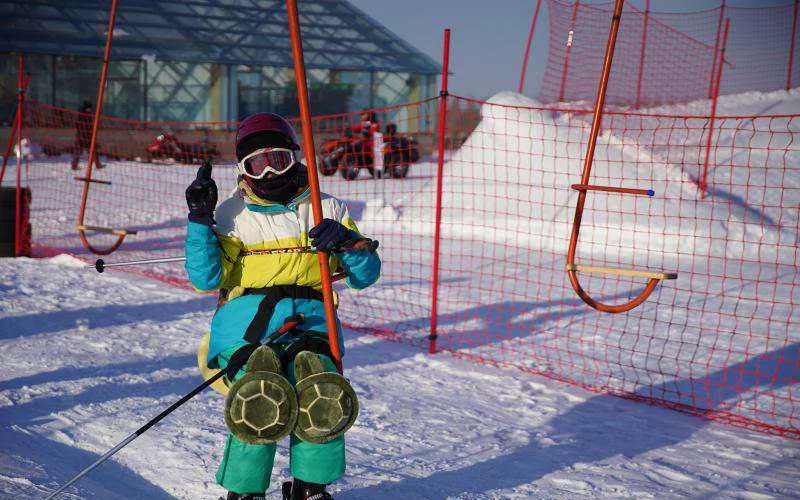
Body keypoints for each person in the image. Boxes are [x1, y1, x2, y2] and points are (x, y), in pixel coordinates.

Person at [184, 112, 381, 500]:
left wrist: (347, 243)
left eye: (278, 160)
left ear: (295, 157)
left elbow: (365, 274)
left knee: (321, 391)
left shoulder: (326, 209)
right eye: (257, 164)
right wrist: (200, 220)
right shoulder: (232, 214)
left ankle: (311, 487)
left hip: (311, 323)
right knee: (261, 391)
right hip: (248, 327)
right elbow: (205, 278)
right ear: (243, 170)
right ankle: (244, 490)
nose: (270, 173)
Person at [70, 101, 104, 170]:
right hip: (83, 136)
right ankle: (74, 165)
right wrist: (86, 132)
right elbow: (80, 125)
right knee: (79, 151)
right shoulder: (82, 115)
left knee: (93, 150)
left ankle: (98, 164)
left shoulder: (86, 114)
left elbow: (89, 125)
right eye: (89, 108)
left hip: (86, 135)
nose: (90, 109)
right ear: (86, 108)